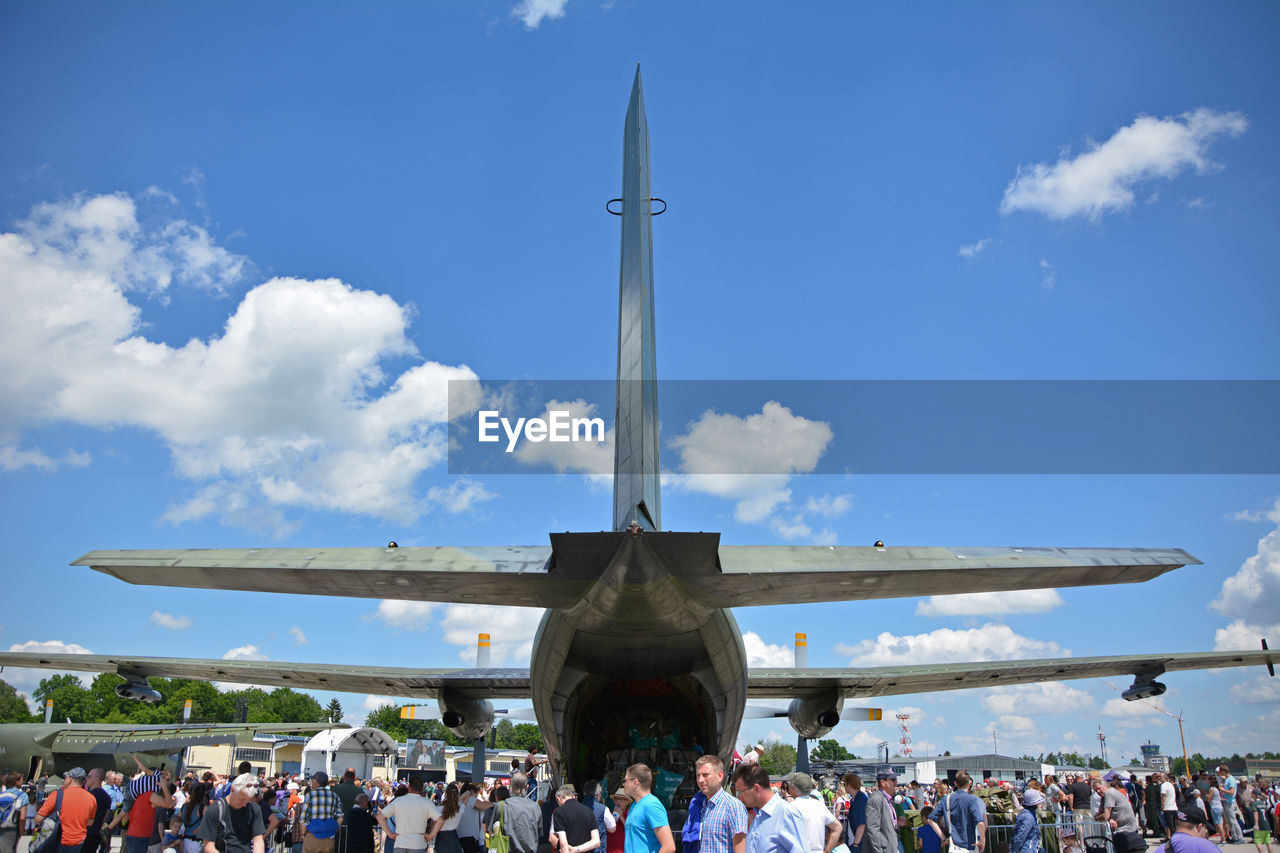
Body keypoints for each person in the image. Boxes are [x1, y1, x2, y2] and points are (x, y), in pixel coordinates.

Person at [730, 763, 806, 853]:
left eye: (741, 792)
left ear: (756, 788)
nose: (739, 797)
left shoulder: (787, 814)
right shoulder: (758, 815)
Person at [199, 774, 265, 853]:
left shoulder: (253, 809)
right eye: (242, 799)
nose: (244, 804)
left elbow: (258, 840)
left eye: (248, 800)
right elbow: (209, 847)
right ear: (232, 790)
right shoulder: (214, 810)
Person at [692, 757, 746, 853]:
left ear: (720, 776)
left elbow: (741, 850)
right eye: (698, 776)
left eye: (705, 775)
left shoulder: (733, 806)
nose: (700, 780)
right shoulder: (702, 806)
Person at [378, 777, 444, 853]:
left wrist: (390, 834)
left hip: (400, 842)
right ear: (421, 788)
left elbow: (380, 817)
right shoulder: (427, 803)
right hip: (418, 843)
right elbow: (440, 820)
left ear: (409, 787)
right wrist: (431, 835)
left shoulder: (398, 801)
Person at [781, 774, 840, 853]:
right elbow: (838, 828)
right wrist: (827, 851)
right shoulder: (820, 805)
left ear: (793, 788)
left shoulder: (789, 808)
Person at [623, 765, 675, 853]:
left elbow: (669, 847)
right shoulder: (634, 805)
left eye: (625, 780)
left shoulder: (652, 805)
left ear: (635, 782)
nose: (623, 784)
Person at [930, 772, 986, 853]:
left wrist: (943, 838)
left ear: (955, 783)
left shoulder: (947, 799)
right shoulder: (972, 800)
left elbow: (930, 819)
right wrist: (982, 840)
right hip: (969, 846)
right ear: (970, 783)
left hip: (953, 846)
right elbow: (980, 822)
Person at [1095, 777, 1141, 853]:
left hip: (1125, 829)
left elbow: (1105, 816)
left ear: (1106, 785)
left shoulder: (1109, 793)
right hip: (1126, 829)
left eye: (1099, 788)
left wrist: (1097, 818)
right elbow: (1102, 812)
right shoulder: (1107, 794)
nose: (1098, 791)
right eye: (1096, 790)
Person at [502, 773, 542, 853]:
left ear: (511, 786)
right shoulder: (535, 807)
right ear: (527, 787)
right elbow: (539, 832)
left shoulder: (503, 805)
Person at [553, 785, 600, 853]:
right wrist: (576, 849)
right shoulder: (588, 811)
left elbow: (563, 844)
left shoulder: (559, 812)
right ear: (573, 796)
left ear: (558, 798)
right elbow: (596, 841)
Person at [1152, 804, 1217, 853]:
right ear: (1199, 827)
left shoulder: (1161, 849)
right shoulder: (1206, 847)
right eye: (1206, 829)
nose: (1207, 834)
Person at [862, 772, 901, 853]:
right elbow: (873, 829)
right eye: (893, 780)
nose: (896, 782)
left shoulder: (887, 800)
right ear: (883, 783)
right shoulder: (876, 799)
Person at [81, 769, 113, 853]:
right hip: (96, 834)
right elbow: (106, 816)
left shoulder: (89, 795)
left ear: (97, 778)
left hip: (85, 833)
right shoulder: (107, 797)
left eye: (89, 776)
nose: (87, 779)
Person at [1, 771, 29, 853]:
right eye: (21, 780)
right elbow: (22, 817)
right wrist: (20, 832)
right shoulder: (22, 795)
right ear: (16, 782)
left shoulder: (1, 795)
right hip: (11, 829)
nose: (22, 782)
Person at [840, 775, 867, 853]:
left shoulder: (860, 800)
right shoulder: (854, 800)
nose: (844, 787)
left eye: (844, 784)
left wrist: (855, 844)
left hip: (858, 844)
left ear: (849, 785)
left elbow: (861, 825)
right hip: (853, 841)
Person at [606, 788, 630, 853]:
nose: (618, 801)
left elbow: (631, 831)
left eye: (621, 799)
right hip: (609, 849)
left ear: (627, 802)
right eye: (616, 799)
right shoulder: (608, 813)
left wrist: (622, 817)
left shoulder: (630, 815)